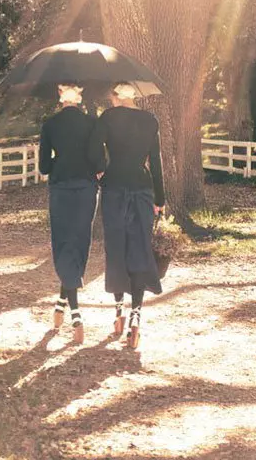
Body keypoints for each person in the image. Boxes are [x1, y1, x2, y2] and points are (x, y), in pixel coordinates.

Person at [89, 82, 165, 349]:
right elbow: (156, 160)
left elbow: (93, 149)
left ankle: (119, 313)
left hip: (114, 189)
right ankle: (136, 316)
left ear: (116, 96)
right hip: (143, 189)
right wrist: (160, 199)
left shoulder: (107, 118)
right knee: (140, 251)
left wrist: (100, 170)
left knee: (117, 250)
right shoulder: (149, 120)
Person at [39, 84, 99, 344]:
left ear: (60, 96)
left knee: (63, 242)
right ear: (80, 97)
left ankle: (73, 310)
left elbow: (43, 167)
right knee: (80, 241)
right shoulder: (91, 123)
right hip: (86, 188)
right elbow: (100, 162)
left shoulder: (50, 125)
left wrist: (59, 161)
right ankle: (67, 305)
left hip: (61, 187)